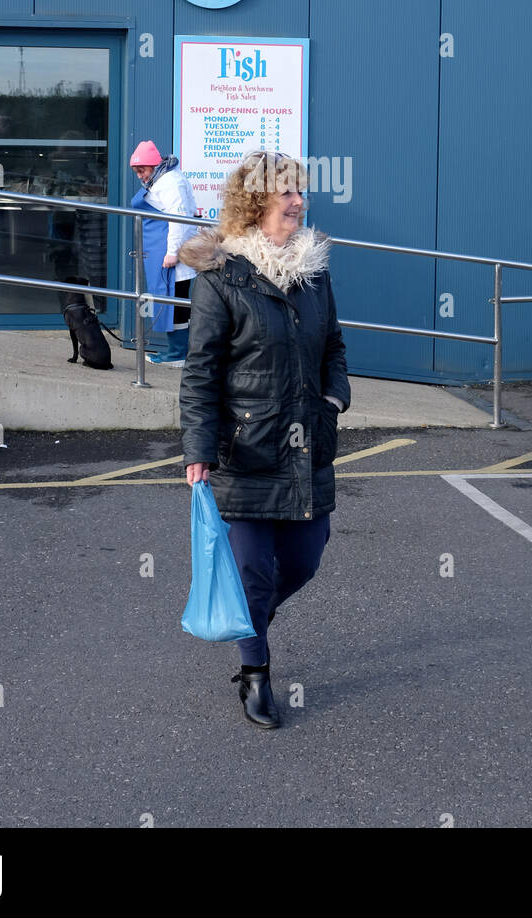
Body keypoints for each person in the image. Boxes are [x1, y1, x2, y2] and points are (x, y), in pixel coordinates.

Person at [177, 150, 350, 729]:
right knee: (252, 571)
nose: (299, 202)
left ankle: (247, 622)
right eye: (287, 193)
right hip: (244, 450)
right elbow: (200, 371)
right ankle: (256, 672)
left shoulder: (315, 272)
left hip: (307, 446)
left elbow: (334, 349)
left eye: (301, 191)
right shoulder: (221, 277)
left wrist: (334, 399)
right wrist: (198, 450)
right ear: (256, 202)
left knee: (304, 560)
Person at [130, 141, 199, 364]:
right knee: (172, 303)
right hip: (166, 254)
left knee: (175, 305)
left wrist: (172, 253)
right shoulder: (161, 179)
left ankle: (178, 354)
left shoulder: (170, 183)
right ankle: (177, 351)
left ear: (153, 165)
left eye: (142, 170)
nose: (140, 176)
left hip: (174, 258)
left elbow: (177, 220)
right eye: (137, 171)